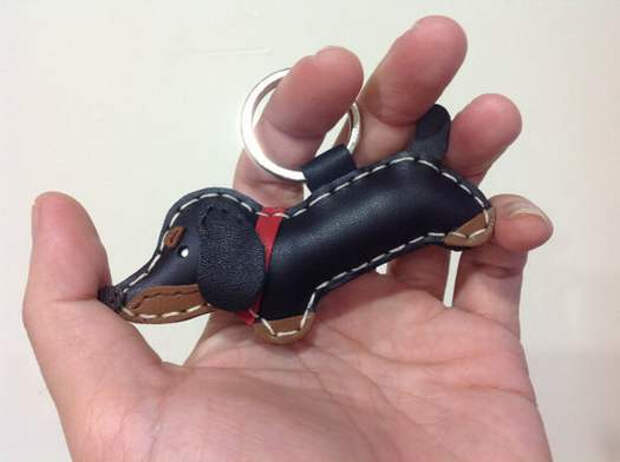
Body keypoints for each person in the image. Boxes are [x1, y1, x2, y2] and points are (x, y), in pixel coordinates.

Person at [23, 15, 553, 461]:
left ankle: (458, 210)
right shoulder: (263, 295)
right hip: (390, 196)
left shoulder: (277, 285)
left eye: (184, 257)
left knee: (423, 195)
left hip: (411, 191)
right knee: (414, 188)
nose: (173, 273)